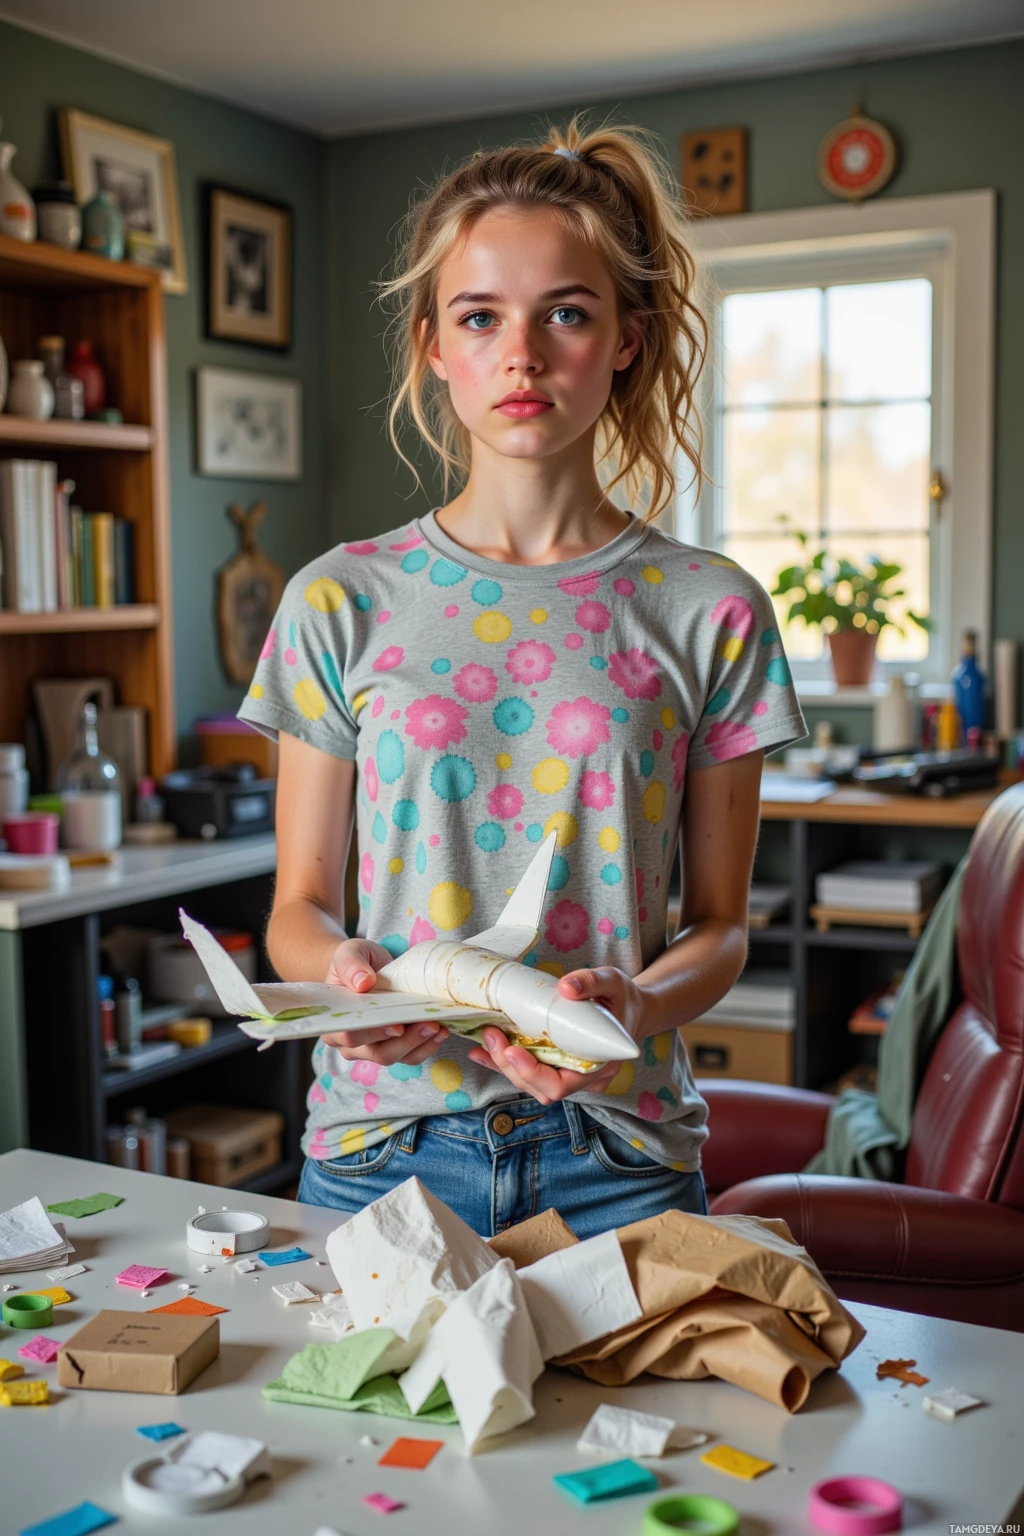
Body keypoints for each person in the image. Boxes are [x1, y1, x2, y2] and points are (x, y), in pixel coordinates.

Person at [238, 115, 806, 1239]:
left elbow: (719, 927)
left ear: (628, 339)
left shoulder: (713, 607)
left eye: (567, 313)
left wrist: (638, 1002)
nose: (523, 353)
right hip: (378, 1154)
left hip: (619, 1153)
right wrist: (343, 979)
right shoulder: (337, 599)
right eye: (480, 316)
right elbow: (296, 909)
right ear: (433, 346)